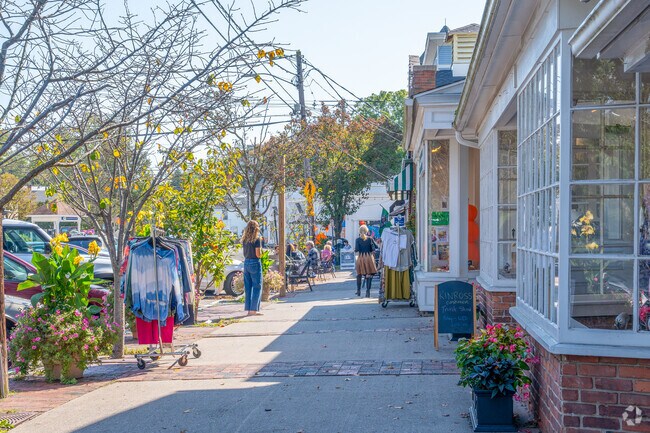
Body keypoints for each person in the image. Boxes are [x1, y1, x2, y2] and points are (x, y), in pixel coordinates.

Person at [241, 220, 263, 316]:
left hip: (246, 262)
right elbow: (258, 254)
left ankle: (249, 309)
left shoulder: (244, 240)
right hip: (255, 262)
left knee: (248, 287)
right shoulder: (257, 239)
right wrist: (262, 253)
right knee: (257, 286)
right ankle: (254, 310)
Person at [355, 225, 378, 297]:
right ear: (366, 231)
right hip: (368, 257)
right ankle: (368, 292)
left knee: (359, 274)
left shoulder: (357, 239)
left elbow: (357, 249)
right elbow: (375, 248)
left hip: (361, 257)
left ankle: (358, 291)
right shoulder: (370, 239)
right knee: (369, 274)